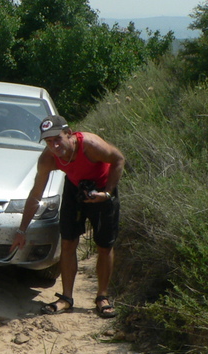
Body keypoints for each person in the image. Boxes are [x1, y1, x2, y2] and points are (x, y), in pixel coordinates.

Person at [10, 114, 125, 318]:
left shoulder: (90, 145)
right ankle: (66, 298)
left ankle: (102, 296)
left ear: (69, 134)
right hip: (75, 189)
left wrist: (107, 193)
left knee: (105, 245)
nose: (54, 146)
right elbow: (36, 194)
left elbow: (118, 159)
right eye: (48, 141)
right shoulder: (47, 159)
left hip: (102, 188)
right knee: (68, 241)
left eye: (57, 139)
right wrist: (22, 230)